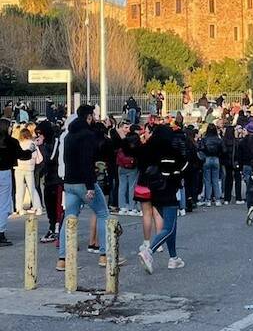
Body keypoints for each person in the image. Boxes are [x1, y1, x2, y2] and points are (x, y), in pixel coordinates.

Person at [57, 105, 125, 270]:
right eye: (92, 116)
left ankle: (62, 259)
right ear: (88, 117)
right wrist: (90, 186)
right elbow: (87, 162)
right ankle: (105, 254)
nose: (94, 119)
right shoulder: (86, 136)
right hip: (84, 182)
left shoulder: (68, 136)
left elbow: (67, 160)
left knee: (70, 217)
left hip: (69, 182)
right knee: (103, 213)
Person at [137, 124, 188, 273]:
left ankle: (173, 257)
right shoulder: (172, 150)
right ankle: (149, 251)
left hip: (155, 191)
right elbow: (183, 167)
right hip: (170, 190)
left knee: (170, 225)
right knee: (169, 227)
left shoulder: (148, 149)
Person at [0, 118, 33, 246]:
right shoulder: (11, 142)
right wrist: (31, 150)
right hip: (5, 172)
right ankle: (1, 232)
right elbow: (23, 155)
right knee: (3, 203)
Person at [14, 129, 43, 215]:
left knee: (19, 189)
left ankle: (19, 208)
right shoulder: (32, 143)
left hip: (18, 167)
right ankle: (38, 207)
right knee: (32, 188)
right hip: (29, 168)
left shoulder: (18, 143)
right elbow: (36, 157)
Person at [198, 124, 223, 206]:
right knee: (215, 180)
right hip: (216, 159)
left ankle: (208, 200)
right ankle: (217, 199)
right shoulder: (218, 139)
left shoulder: (204, 139)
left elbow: (201, 148)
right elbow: (223, 150)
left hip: (207, 159)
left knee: (207, 180)